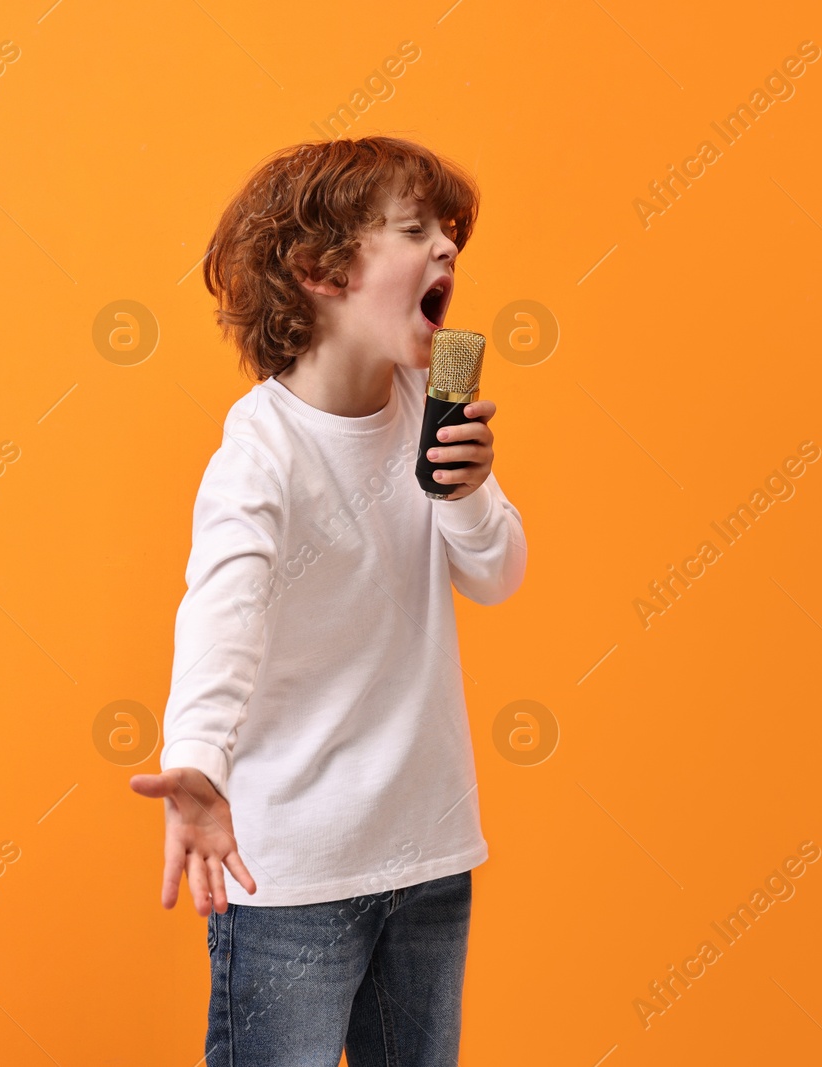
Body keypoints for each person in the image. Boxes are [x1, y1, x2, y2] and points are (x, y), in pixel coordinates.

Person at [129, 134, 527, 1066]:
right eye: (412, 229)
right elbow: (222, 606)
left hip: (428, 850)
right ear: (321, 270)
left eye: (450, 233)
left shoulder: (433, 399)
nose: (447, 250)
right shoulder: (263, 448)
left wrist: (467, 494)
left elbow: (497, 574)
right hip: (294, 869)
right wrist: (196, 759)